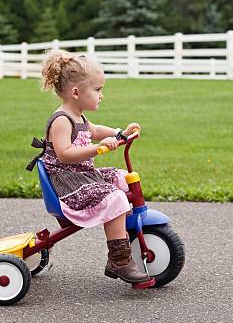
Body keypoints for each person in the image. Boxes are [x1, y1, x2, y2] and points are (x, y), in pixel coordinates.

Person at [27, 49, 149, 284]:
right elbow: (64, 155)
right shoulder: (62, 120)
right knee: (114, 197)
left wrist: (118, 133)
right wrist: (97, 148)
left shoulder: (79, 116)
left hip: (84, 176)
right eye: (98, 89)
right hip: (69, 185)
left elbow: (94, 131)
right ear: (76, 92)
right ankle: (119, 259)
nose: (101, 95)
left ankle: (123, 233)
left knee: (123, 178)